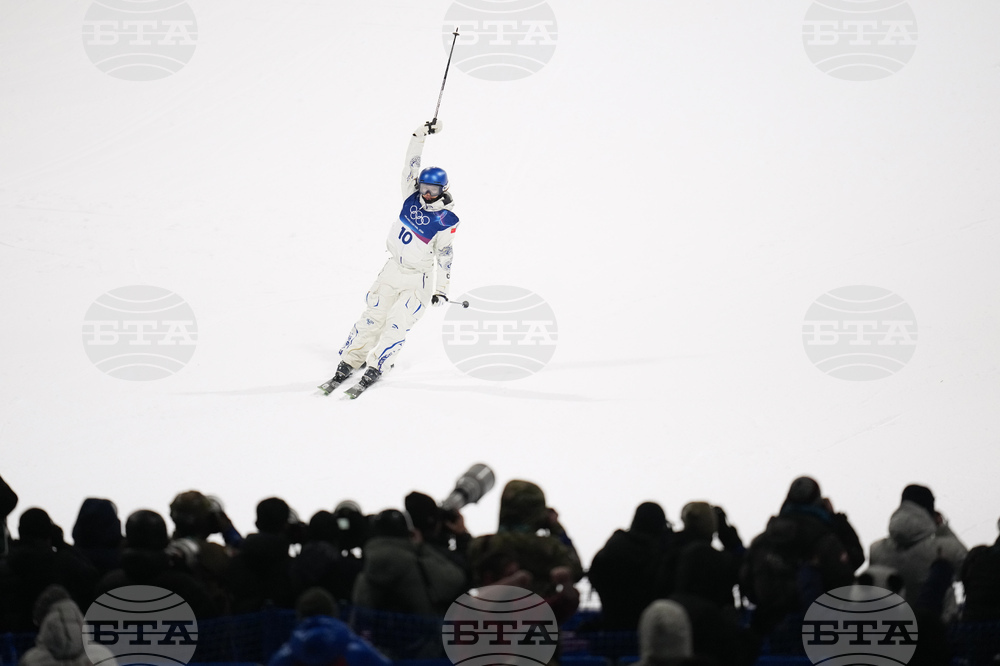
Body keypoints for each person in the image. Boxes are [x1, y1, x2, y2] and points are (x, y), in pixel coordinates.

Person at [322, 120, 459, 393]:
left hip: (417, 278)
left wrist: (441, 289)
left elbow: (444, 254)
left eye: (432, 191)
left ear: (442, 190)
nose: (426, 194)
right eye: (423, 188)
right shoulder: (410, 196)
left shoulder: (446, 219)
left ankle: (378, 365)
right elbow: (410, 163)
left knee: (396, 324)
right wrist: (420, 134)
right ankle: (351, 359)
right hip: (392, 269)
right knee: (372, 316)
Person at [869, 484, 967, 622]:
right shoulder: (944, 548)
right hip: (938, 631)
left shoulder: (876, 550)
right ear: (930, 510)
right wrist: (943, 528)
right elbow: (969, 568)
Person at [588, 501, 673, 631]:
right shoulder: (663, 551)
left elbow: (595, 573)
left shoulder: (614, 546)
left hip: (612, 623)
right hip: (654, 626)